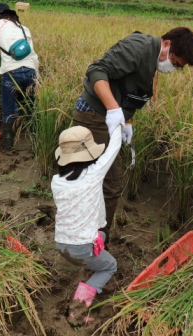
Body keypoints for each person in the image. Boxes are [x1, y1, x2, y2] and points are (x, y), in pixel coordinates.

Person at [72, 27, 193, 242]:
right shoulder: (139, 48)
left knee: (101, 182)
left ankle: (91, 237)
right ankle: (91, 241)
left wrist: (127, 121)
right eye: (175, 63)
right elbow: (97, 70)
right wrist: (113, 109)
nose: (173, 68)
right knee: (105, 185)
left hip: (106, 119)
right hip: (93, 115)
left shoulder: (152, 59)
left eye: (178, 68)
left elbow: (128, 90)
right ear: (167, 44)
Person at [51, 110, 123, 326]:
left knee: (101, 234)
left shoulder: (57, 181)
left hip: (61, 243)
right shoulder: (93, 174)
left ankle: (92, 260)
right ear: (89, 154)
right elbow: (113, 149)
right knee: (110, 265)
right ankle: (77, 310)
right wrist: (118, 124)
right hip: (81, 247)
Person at [0, 3, 39, 150]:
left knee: (8, 110)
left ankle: (8, 145)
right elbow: (33, 55)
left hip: (11, 72)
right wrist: (36, 77)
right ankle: (35, 139)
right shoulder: (23, 27)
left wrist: (0, 46)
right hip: (30, 72)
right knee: (30, 107)